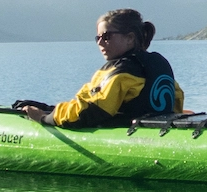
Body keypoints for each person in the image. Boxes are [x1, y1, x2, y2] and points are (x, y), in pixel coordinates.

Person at [20, 8, 184, 129]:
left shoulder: (121, 71)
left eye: (106, 36)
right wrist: (50, 109)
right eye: (97, 37)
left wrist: (44, 118)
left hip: (126, 133)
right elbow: (176, 101)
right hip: (156, 129)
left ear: (129, 38)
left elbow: (90, 112)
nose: (100, 42)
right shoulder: (158, 64)